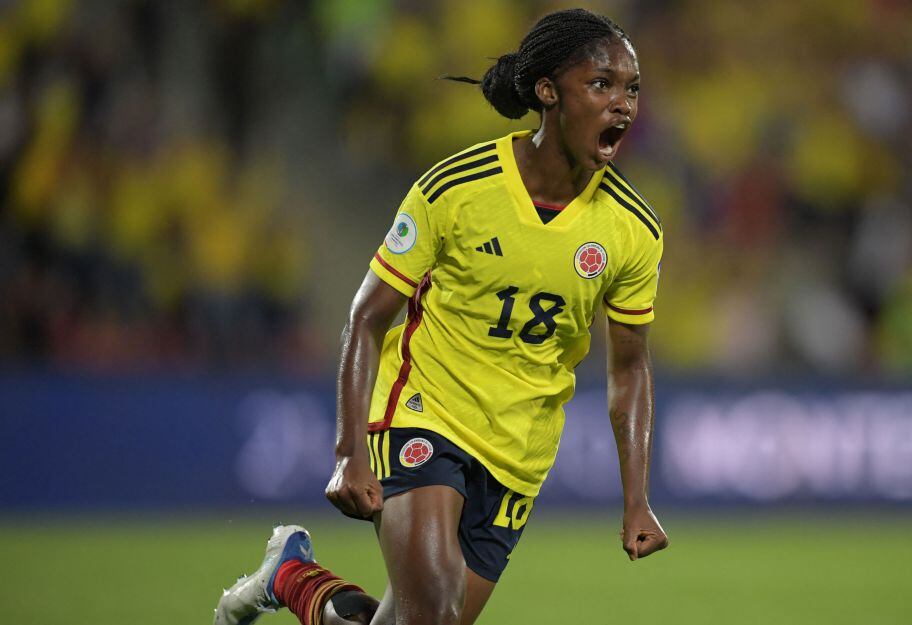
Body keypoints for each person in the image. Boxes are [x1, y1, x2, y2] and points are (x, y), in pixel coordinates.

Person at [215, 8, 667, 625]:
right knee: (432, 613)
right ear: (547, 92)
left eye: (631, 89)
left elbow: (631, 369)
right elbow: (367, 317)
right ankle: (294, 574)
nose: (622, 105)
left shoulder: (634, 231)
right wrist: (349, 449)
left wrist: (637, 500)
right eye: (602, 84)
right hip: (426, 409)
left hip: (518, 454)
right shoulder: (459, 189)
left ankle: (292, 577)